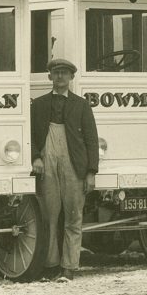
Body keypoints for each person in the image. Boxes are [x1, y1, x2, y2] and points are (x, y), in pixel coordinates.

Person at [30, 57, 98, 280]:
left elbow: (91, 139)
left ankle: (69, 266)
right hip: (46, 158)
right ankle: (50, 265)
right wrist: (35, 158)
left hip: (74, 162)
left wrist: (91, 172)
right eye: (56, 73)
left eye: (64, 73)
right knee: (49, 214)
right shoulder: (38, 105)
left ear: (71, 77)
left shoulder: (81, 104)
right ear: (50, 76)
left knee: (73, 215)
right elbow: (30, 136)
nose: (60, 77)